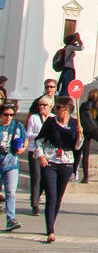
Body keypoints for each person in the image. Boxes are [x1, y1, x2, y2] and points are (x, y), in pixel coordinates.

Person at [36, 94, 82, 242]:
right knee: (51, 195)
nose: (55, 110)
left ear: (66, 110)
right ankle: (50, 230)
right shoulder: (50, 122)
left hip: (66, 163)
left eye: (58, 108)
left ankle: (51, 222)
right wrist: (41, 156)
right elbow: (39, 140)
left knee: (58, 197)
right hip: (50, 161)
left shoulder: (75, 124)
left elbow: (77, 147)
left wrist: (80, 136)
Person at [0, 102, 28, 231]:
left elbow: (25, 139)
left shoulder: (17, 126)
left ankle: (11, 219)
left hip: (11, 164)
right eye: (6, 114)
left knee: (10, 192)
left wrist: (22, 149)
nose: (9, 117)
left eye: (11, 114)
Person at [75, 88, 98, 183]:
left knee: (85, 155)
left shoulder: (82, 105)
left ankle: (85, 177)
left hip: (85, 130)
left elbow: (79, 117)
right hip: (95, 129)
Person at [24, 97, 50, 215]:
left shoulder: (52, 118)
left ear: (49, 106)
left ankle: (38, 197)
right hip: (34, 150)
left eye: (45, 105)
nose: (42, 107)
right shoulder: (34, 118)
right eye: (40, 105)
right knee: (36, 178)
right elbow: (28, 134)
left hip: (48, 152)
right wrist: (40, 135)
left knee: (45, 179)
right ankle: (35, 205)